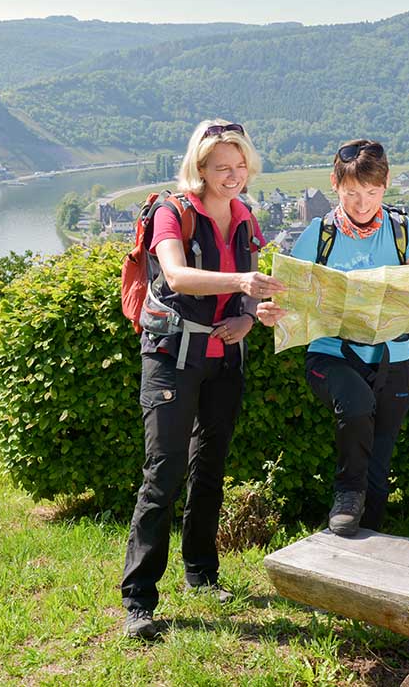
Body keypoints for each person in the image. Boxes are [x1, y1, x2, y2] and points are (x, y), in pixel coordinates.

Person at [120, 119, 286, 640]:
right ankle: (139, 600)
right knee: (163, 472)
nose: (232, 176)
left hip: (224, 358)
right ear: (200, 167)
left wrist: (250, 316)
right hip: (171, 354)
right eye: (221, 167)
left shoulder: (244, 217)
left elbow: (247, 297)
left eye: (239, 166)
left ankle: (201, 574)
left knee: (210, 469)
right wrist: (243, 282)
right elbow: (176, 275)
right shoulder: (173, 212)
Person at [257, 140, 409, 537]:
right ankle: (347, 493)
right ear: (334, 184)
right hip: (331, 354)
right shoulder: (319, 235)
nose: (362, 203)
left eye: (371, 192)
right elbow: (285, 298)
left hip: (392, 357)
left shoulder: (406, 232)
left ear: (385, 185)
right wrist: (270, 312)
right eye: (351, 192)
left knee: (379, 470)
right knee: (356, 404)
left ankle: (362, 550)